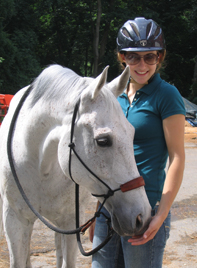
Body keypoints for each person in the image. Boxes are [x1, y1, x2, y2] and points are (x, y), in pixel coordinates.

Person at [90, 17, 186, 268]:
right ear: (122, 57)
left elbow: (177, 157)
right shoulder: (114, 95)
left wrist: (161, 213)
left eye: (149, 57)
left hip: (145, 209)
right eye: (133, 57)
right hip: (109, 208)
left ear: (160, 57)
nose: (141, 65)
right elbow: (106, 159)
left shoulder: (167, 95)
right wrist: (96, 211)